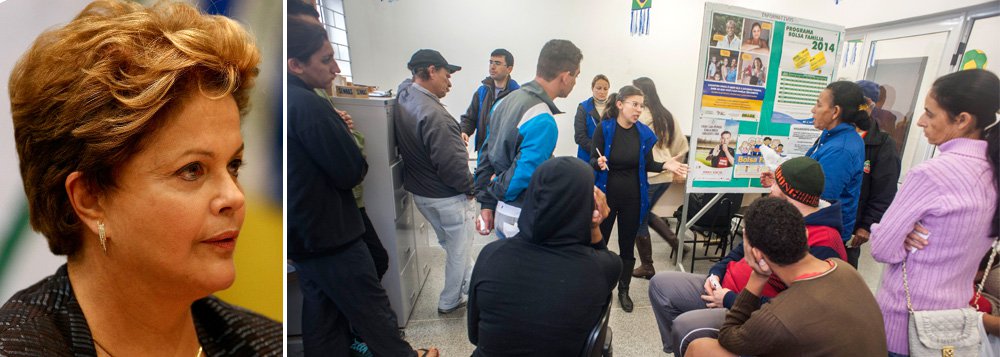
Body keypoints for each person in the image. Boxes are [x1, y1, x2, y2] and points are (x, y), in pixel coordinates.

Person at [0, 1, 280, 355]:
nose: (235, 198)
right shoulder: (17, 346)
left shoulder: (265, 344)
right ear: (90, 198)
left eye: (234, 165)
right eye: (192, 170)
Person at [286, 18, 432, 356]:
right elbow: (351, 170)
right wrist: (347, 134)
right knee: (374, 314)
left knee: (322, 317)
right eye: (325, 60)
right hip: (332, 236)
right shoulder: (309, 106)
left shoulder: (287, 99)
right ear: (295, 64)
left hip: (305, 237)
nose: (335, 68)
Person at [650, 157, 848, 356]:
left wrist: (729, 299)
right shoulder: (779, 213)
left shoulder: (824, 241)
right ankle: (679, 349)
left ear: (790, 191)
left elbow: (796, 312)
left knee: (684, 327)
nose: (770, 187)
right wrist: (716, 274)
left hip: (747, 311)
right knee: (661, 285)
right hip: (724, 288)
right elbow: (738, 252)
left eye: (776, 183)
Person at [869, 69, 999, 357]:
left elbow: (881, 248)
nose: (919, 121)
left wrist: (899, 237)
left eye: (930, 113)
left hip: (905, 324)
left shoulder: (932, 173)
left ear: (963, 120)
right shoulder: (993, 172)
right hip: (954, 324)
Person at [684, 197, 887, 357]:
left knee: (698, 348)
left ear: (756, 254)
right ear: (805, 236)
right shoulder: (843, 268)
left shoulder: (778, 316)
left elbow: (729, 337)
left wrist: (758, 276)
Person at [467, 157, 621, 356]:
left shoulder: (491, 256)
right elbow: (603, 260)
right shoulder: (603, 268)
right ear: (586, 204)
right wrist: (593, 226)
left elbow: (474, 335)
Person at [474, 39, 583, 239]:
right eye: (576, 76)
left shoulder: (505, 101)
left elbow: (485, 155)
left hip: (502, 211)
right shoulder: (543, 119)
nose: (575, 82)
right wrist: (493, 190)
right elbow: (521, 176)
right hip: (521, 215)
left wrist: (486, 202)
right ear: (566, 76)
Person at [395, 49, 475, 315]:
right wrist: (471, 189)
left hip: (422, 193)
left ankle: (469, 286)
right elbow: (452, 168)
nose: (449, 83)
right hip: (445, 197)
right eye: (446, 75)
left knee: (453, 245)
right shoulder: (437, 116)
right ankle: (451, 300)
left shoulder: (406, 94)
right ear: (430, 71)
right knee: (458, 249)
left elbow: (403, 83)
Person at [591, 85, 680, 312]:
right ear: (620, 104)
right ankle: (598, 288)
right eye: (634, 104)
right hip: (608, 197)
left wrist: (665, 165)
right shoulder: (605, 128)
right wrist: (598, 163)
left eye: (641, 105)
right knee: (599, 244)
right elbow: (594, 158)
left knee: (627, 247)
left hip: (633, 198)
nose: (639, 109)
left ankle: (623, 289)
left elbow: (648, 163)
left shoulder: (643, 133)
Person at [630, 77, 689, 279]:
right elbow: (681, 145)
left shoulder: (641, 115)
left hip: (649, 174)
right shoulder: (667, 114)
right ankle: (675, 242)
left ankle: (647, 266)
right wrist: (669, 161)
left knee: (639, 219)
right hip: (664, 174)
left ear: (643, 93)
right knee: (644, 213)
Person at [847, 80, 901, 269]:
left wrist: (867, 224)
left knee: (843, 274)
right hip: (829, 219)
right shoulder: (838, 133)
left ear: (870, 104)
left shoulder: (882, 143)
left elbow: (885, 190)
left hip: (853, 227)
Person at [805, 81, 867, 244]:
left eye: (818, 105)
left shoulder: (841, 150)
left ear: (835, 112)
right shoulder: (832, 137)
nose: (813, 110)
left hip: (820, 235)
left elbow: (819, 198)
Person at [460, 49, 520, 152]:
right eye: (491, 62)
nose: (492, 67)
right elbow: (470, 118)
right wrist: (464, 131)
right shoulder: (482, 92)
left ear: (509, 69)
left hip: (504, 156)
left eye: (497, 63)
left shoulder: (516, 95)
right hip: (483, 153)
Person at [574, 74, 611, 162]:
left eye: (605, 89)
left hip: (608, 157)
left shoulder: (613, 108)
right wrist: (598, 150)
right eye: (598, 88)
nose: (602, 92)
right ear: (592, 88)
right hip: (587, 157)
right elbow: (580, 137)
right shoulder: (583, 107)